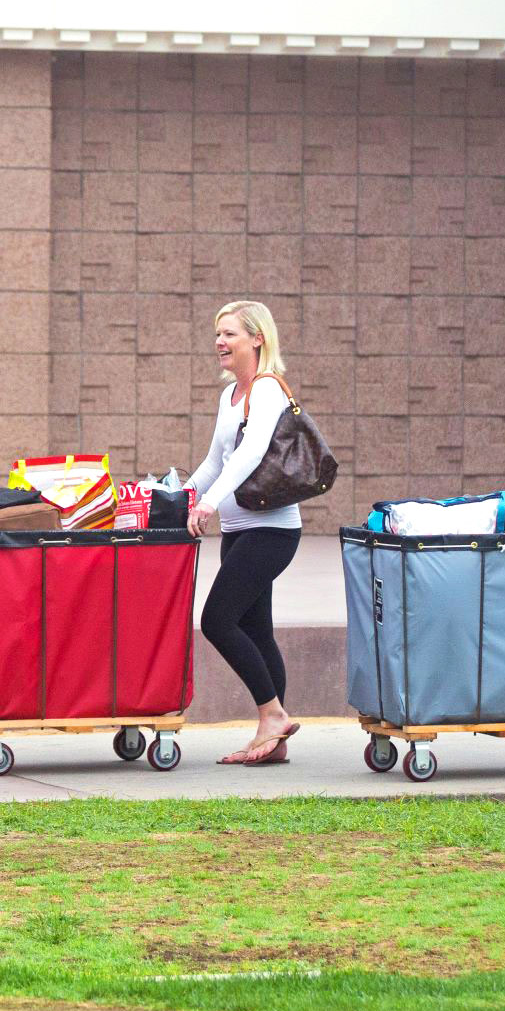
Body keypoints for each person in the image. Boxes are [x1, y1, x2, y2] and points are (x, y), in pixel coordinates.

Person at [185, 300, 303, 767]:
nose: (220, 342)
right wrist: (178, 495)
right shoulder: (229, 395)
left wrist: (211, 501)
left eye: (230, 333)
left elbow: (252, 453)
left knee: (217, 620)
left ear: (257, 338)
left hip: (271, 531)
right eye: (218, 333)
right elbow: (216, 460)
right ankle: (275, 739)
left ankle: (271, 715)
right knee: (257, 629)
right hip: (239, 530)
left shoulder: (267, 389)